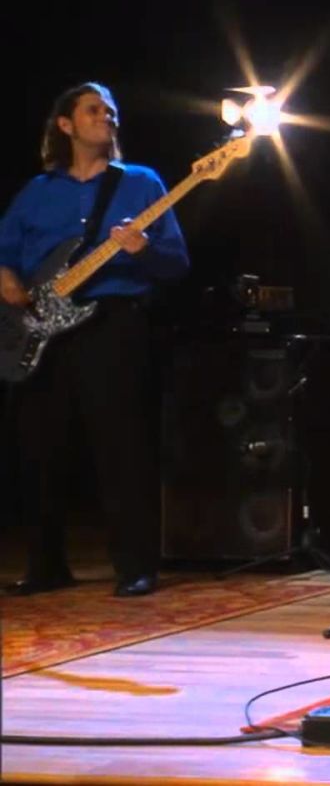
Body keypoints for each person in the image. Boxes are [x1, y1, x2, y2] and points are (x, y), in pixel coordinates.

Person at [1, 82, 190, 597]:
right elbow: (6, 249)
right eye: (93, 109)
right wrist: (6, 276)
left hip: (112, 322)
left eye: (110, 110)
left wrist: (142, 249)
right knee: (38, 447)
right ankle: (45, 564)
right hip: (41, 329)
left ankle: (135, 565)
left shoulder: (141, 183)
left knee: (122, 448)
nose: (106, 116)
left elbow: (176, 263)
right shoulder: (38, 191)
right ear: (65, 124)